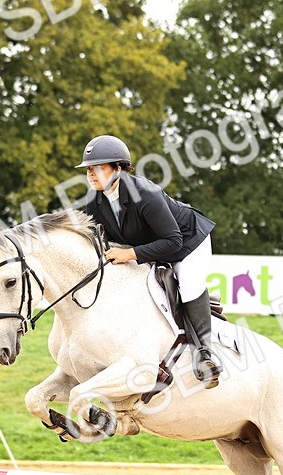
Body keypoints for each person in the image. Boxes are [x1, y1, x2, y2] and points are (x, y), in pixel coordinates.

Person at [77, 135, 223, 387]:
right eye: (89, 168)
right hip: (150, 246)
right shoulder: (94, 200)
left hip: (187, 243)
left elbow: (173, 241)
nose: (91, 174)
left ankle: (204, 354)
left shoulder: (145, 193)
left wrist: (129, 254)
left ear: (119, 169)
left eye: (98, 168)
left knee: (188, 285)